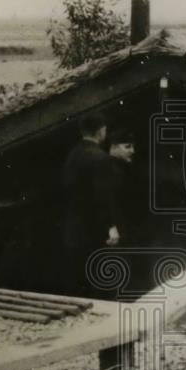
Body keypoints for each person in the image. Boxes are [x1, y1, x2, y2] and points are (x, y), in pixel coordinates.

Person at [61, 112, 120, 297]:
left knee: (81, 281)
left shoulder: (71, 156)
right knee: (102, 283)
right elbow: (102, 197)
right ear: (101, 131)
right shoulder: (101, 158)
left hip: (74, 229)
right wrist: (110, 226)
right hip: (95, 230)